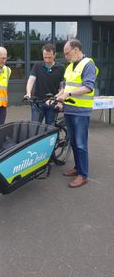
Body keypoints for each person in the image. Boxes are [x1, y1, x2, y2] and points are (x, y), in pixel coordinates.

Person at [56, 39, 98, 188]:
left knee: (80, 144)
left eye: (67, 53)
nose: (66, 56)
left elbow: (88, 87)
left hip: (81, 112)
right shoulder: (70, 67)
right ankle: (77, 168)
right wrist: (58, 97)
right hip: (69, 110)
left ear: (76, 49)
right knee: (73, 142)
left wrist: (68, 95)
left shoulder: (88, 65)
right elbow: (65, 86)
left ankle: (83, 175)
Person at [25, 44, 64, 125]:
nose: (47, 60)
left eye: (50, 57)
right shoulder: (37, 65)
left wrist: (58, 100)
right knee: (34, 127)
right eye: (45, 57)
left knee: (50, 128)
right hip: (38, 103)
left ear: (54, 55)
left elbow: (63, 87)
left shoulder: (60, 68)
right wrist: (28, 92)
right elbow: (31, 80)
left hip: (52, 103)